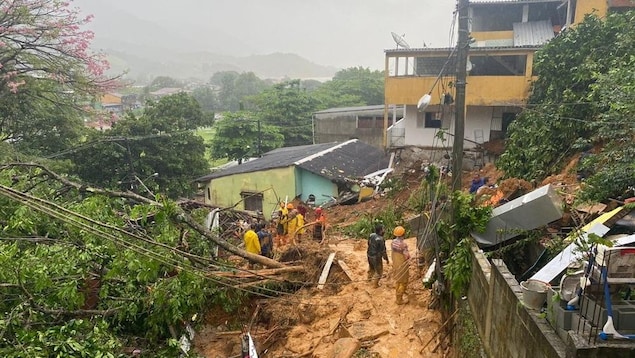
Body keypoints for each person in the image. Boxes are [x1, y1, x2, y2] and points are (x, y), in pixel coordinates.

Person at [391, 225, 410, 304]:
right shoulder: (403, 245)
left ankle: (398, 295)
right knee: (403, 281)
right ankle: (399, 299)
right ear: (403, 234)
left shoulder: (393, 243)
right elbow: (406, 256)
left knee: (398, 281)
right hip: (402, 264)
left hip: (395, 264)